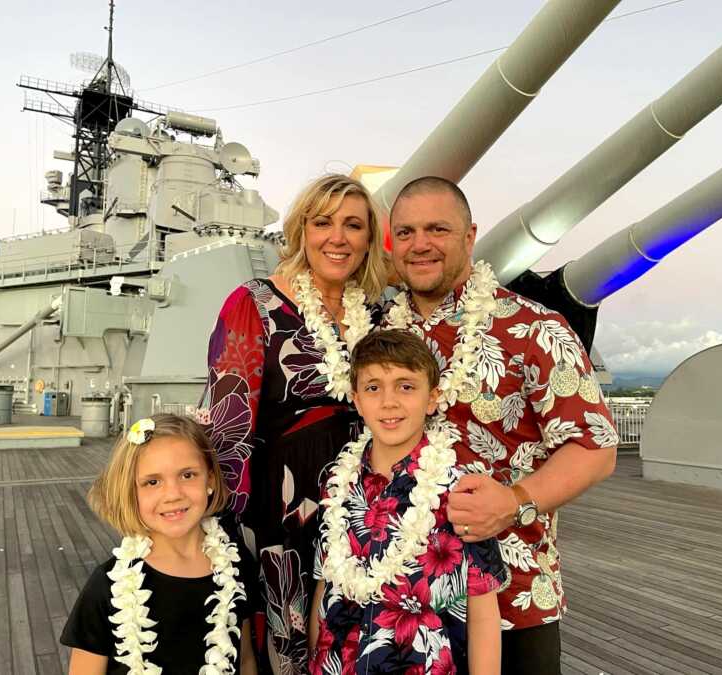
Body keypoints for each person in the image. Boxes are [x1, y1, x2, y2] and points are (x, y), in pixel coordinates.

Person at [384, 176, 620, 674]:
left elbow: (595, 447)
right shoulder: (377, 337)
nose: (420, 243)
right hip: (398, 600)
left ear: (470, 237)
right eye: (405, 232)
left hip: (513, 595)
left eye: (437, 229)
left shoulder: (534, 329)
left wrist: (514, 501)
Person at [199, 174, 390, 673]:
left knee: (359, 640)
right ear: (301, 229)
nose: (338, 237)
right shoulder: (254, 304)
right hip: (281, 511)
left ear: (370, 238)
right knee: (288, 644)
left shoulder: (378, 312)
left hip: (364, 507)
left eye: (354, 225)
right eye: (322, 222)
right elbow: (228, 427)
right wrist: (222, 534)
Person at [309, 329, 505, 675]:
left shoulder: (460, 490)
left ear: (432, 398)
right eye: (373, 388)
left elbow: (484, 612)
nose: (389, 402)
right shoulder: (336, 485)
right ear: (356, 400)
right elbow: (325, 588)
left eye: (406, 386)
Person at [61, 413, 258, 675]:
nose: (173, 494)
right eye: (152, 482)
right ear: (131, 492)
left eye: (188, 475)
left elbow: (244, 660)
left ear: (210, 479)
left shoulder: (235, 565)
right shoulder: (106, 586)